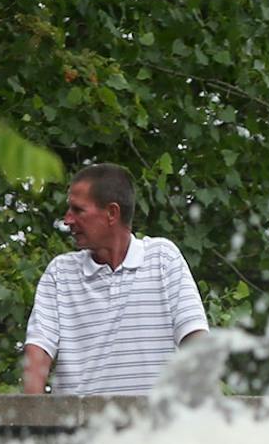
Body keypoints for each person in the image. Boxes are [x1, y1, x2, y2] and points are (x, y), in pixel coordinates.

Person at [22, 163, 209, 395]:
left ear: (112, 213)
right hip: (80, 429)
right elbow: (38, 352)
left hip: (157, 427)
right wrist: (30, 423)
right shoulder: (60, 273)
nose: (68, 219)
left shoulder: (162, 257)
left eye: (78, 210)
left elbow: (195, 339)